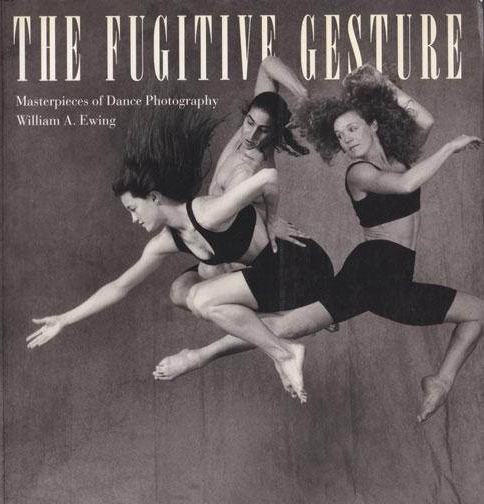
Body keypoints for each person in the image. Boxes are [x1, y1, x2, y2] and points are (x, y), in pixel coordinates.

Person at [156, 65, 483, 423]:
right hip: (370, 272)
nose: (347, 140)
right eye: (340, 136)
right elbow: (406, 185)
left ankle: (440, 381)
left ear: (374, 124)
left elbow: (425, 120)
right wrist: (450, 147)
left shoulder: (401, 159)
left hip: (398, 283)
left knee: (478, 312)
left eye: (352, 129)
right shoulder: (359, 173)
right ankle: (197, 356)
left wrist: (382, 84)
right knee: (288, 327)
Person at [26, 99, 335, 403]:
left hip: (303, 266)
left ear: (154, 197)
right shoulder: (168, 240)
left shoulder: (207, 214)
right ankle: (282, 337)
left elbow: (268, 176)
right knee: (183, 292)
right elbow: (120, 286)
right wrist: (65, 319)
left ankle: (284, 352)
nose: (133, 219)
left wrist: (272, 219)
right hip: (268, 274)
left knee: (201, 298)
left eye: (133, 208)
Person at [168, 55, 313, 311]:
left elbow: (224, 230)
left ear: (274, 133)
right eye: (249, 123)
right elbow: (268, 64)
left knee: (205, 282)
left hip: (243, 250)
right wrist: (302, 95)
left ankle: (295, 307)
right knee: (179, 292)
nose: (252, 135)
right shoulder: (246, 133)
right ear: (247, 116)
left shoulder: (254, 165)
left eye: (263, 130)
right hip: (223, 241)